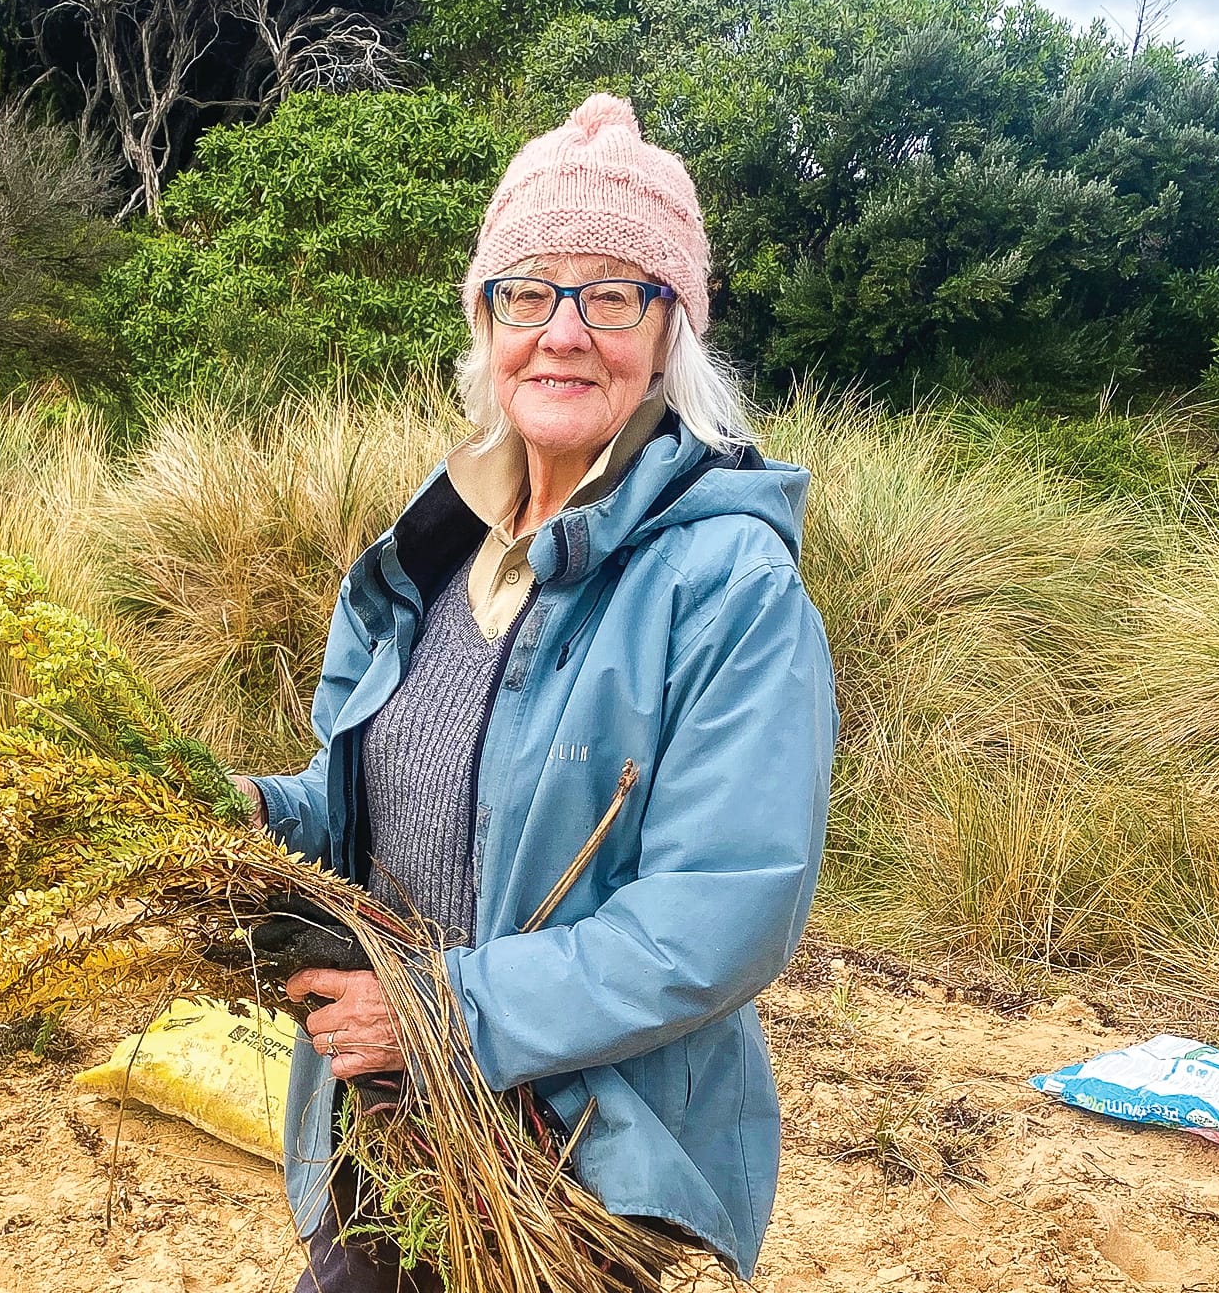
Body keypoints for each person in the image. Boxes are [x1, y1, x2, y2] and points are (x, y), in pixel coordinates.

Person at [235, 94, 838, 1288]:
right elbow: (375, 798)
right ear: (485, 322)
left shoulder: (729, 585)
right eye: (526, 293)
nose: (561, 332)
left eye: (610, 295)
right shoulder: (430, 550)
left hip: (566, 1159)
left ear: (669, 330)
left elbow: (719, 913)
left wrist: (440, 1011)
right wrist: (256, 812)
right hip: (384, 1117)